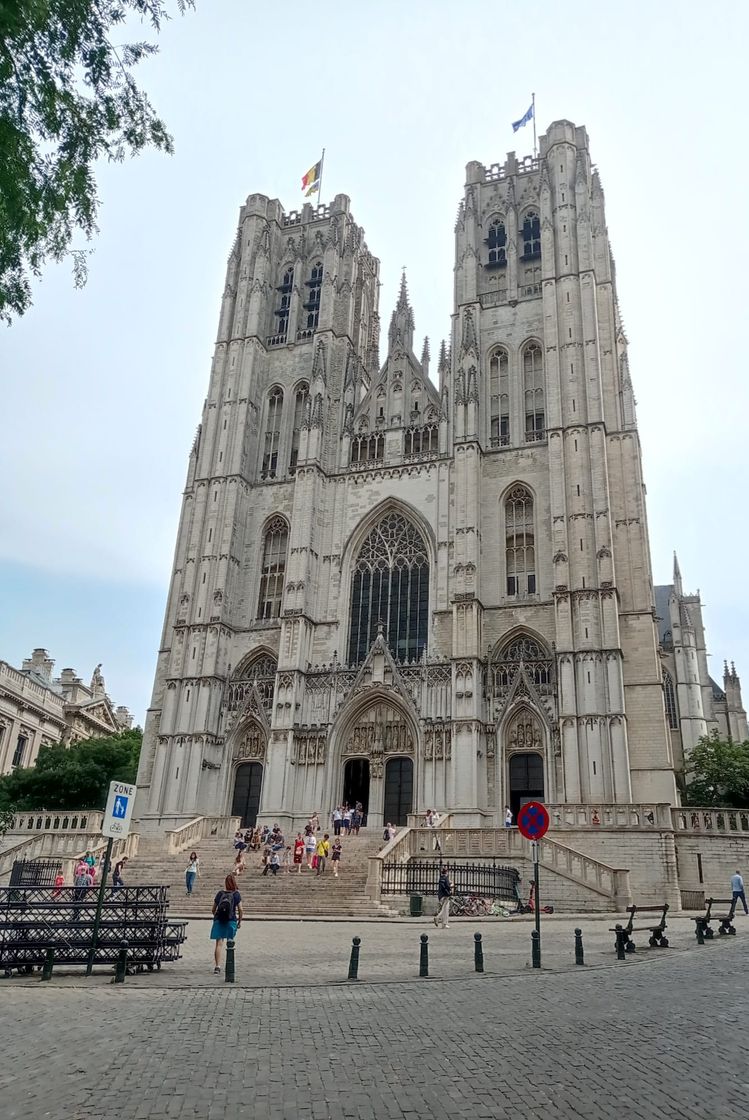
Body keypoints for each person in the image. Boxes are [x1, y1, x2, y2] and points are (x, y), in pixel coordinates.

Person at [211, 874, 242, 974]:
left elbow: (213, 909)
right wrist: (239, 921)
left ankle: (217, 966)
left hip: (219, 920)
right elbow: (241, 909)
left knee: (219, 944)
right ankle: (230, 965)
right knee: (230, 943)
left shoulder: (220, 893)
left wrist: (217, 916)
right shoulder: (236, 894)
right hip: (231, 920)